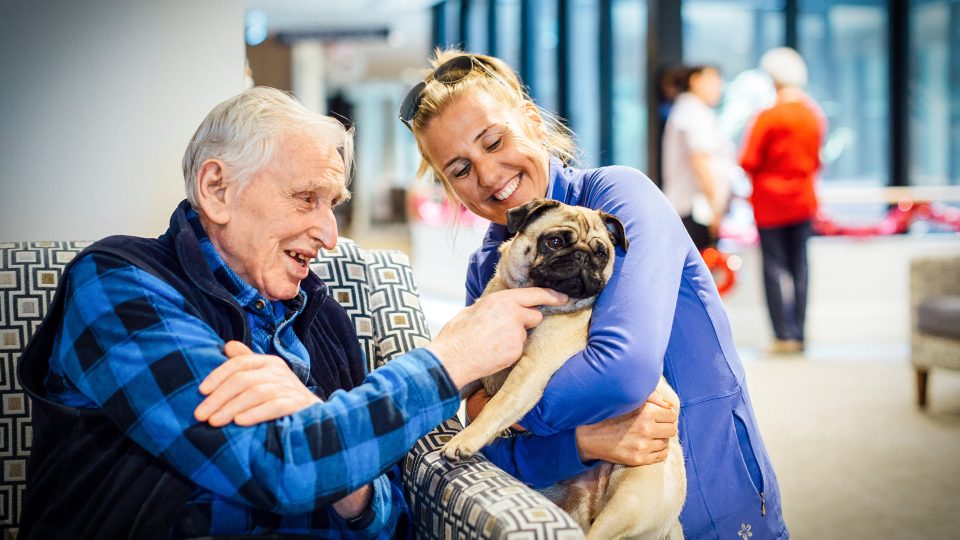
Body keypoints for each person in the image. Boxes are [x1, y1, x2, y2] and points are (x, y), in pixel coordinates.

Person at [16, 86, 597, 538]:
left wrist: (347, 479)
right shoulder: (119, 284)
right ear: (217, 189)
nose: (328, 234)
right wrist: (448, 361)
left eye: (335, 204)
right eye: (306, 198)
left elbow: (392, 520)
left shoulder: (319, 318)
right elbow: (280, 471)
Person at [401, 50, 789, 539]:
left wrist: (499, 411)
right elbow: (488, 447)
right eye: (459, 169)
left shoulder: (620, 199)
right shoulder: (490, 266)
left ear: (531, 121)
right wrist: (578, 441)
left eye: (494, 141)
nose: (487, 174)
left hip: (710, 505)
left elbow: (620, 374)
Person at [739, 47, 825, 355]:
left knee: (773, 268)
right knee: (800, 266)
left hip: (770, 204)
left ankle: (782, 335)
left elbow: (748, 159)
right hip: (804, 200)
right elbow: (816, 159)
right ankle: (800, 334)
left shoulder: (768, 115)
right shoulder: (813, 114)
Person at [661, 64, 738, 252]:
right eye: (713, 81)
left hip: (695, 208)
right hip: (694, 209)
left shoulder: (694, 110)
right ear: (695, 81)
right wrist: (715, 205)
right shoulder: (692, 112)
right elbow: (700, 161)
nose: (719, 87)